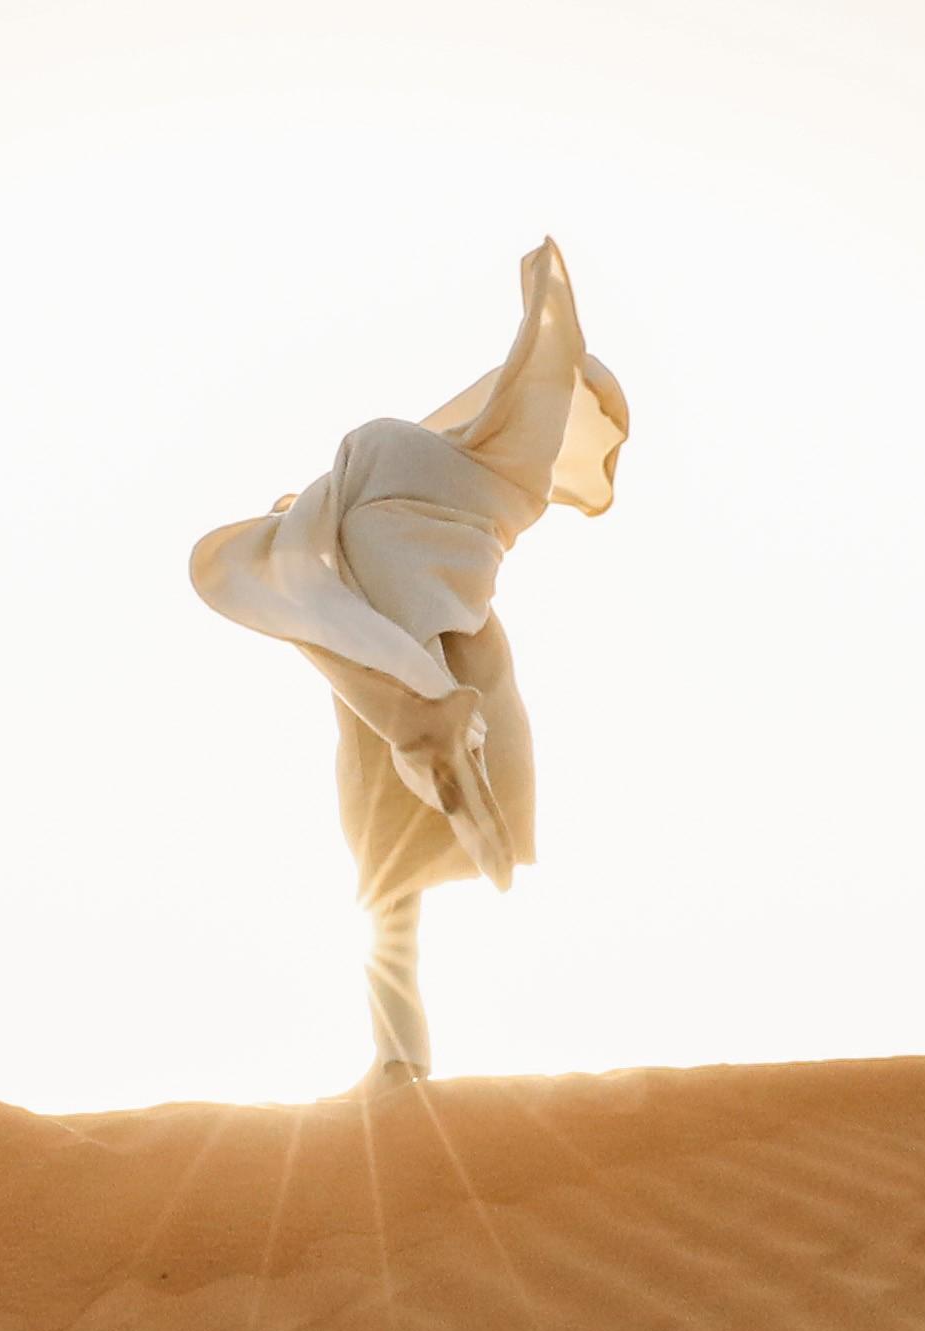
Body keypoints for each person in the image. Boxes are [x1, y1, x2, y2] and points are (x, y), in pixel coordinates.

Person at [187, 243, 632, 1082]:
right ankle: (436, 727)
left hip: (378, 559)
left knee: (380, 855)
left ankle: (398, 1057)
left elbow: (334, 563)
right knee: (385, 829)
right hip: (422, 588)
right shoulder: (478, 482)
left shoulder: (415, 467)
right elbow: (488, 481)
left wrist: (305, 519)